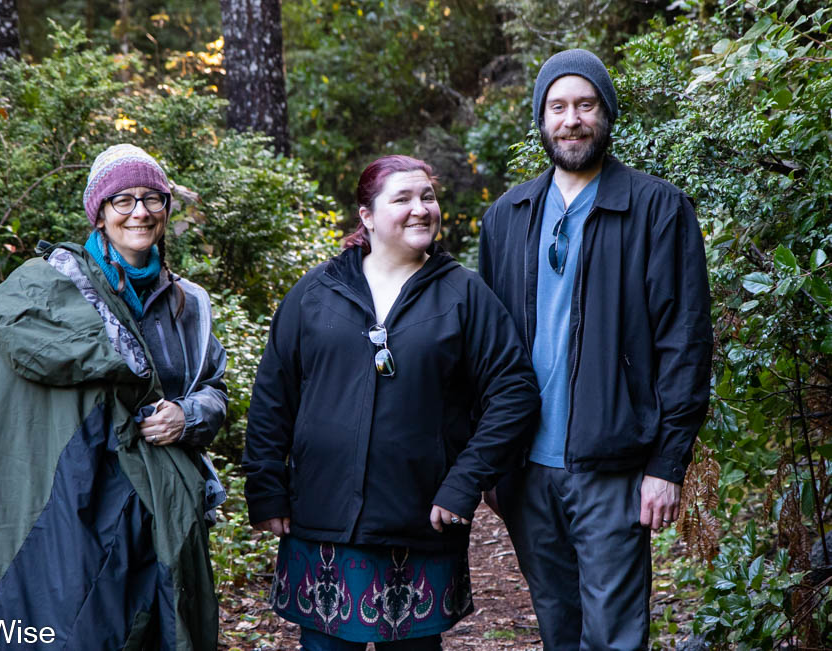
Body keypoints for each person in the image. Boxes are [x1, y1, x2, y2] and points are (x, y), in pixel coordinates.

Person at [0, 144, 228, 650]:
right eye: (123, 200)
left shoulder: (190, 303)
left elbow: (214, 389)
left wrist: (189, 414)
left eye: (152, 199)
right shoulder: (54, 291)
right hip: (75, 504)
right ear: (99, 212)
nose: (139, 211)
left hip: (161, 510)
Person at [242, 155, 540, 651]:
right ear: (367, 216)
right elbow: (274, 394)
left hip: (420, 520)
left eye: (427, 196)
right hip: (323, 521)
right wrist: (266, 487)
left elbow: (514, 392)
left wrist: (464, 481)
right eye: (402, 199)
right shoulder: (316, 293)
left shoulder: (464, 294)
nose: (421, 209)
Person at [478, 49, 713, 649]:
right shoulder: (506, 216)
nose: (572, 119)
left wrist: (667, 465)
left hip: (614, 464)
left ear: (606, 114)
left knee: (613, 636)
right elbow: (482, 349)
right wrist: (485, 459)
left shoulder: (658, 208)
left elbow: (684, 343)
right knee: (558, 628)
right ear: (541, 118)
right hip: (526, 468)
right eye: (558, 106)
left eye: (585, 104)